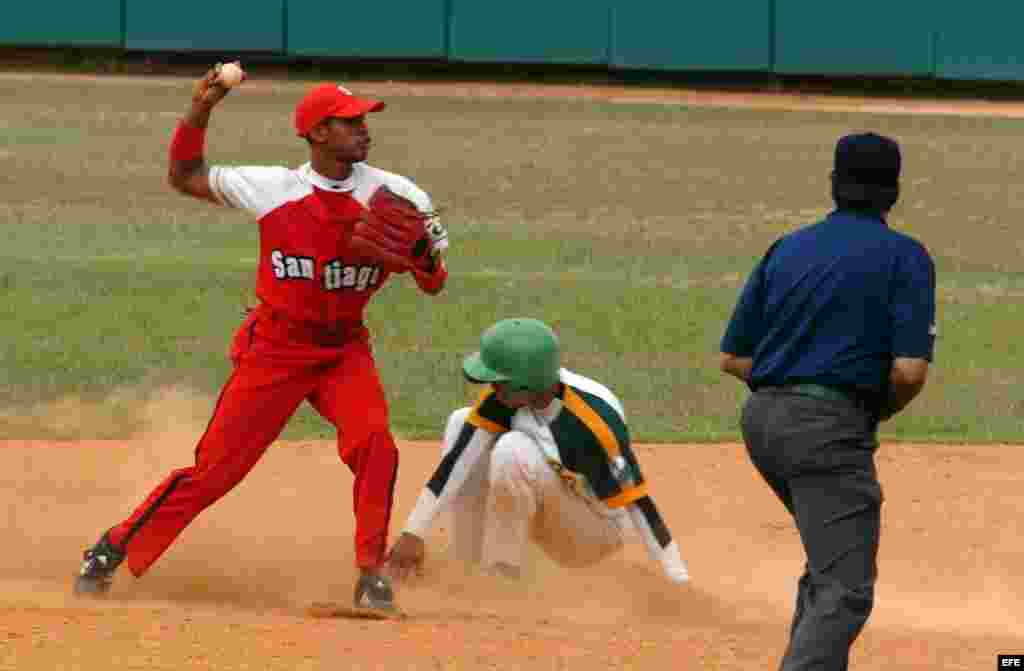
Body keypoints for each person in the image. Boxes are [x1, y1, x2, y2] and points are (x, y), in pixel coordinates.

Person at [73, 64, 450, 615]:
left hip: (344, 348)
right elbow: (185, 176)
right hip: (275, 348)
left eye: (365, 119)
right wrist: (200, 110)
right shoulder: (274, 189)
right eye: (350, 121)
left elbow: (435, 282)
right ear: (318, 133)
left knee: (376, 445)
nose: (365, 128)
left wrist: (424, 259)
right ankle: (110, 549)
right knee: (215, 473)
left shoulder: (399, 195)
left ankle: (371, 573)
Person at [719, 132, 935, 670]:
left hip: (762, 422)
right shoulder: (905, 257)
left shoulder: (787, 247)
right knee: (846, 589)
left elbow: (733, 358)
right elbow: (909, 370)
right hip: (827, 432)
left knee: (829, 563)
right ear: (894, 191)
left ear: (833, 185)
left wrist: (793, 393)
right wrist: (865, 409)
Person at [386, 317, 689, 585]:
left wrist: (678, 580)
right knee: (460, 422)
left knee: (512, 450)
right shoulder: (508, 396)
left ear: (525, 383)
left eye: (498, 381)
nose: (492, 388)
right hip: (550, 507)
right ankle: (468, 566)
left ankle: (502, 575)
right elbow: (457, 462)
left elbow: (639, 505)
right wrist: (413, 532)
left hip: (594, 534)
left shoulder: (593, 422)